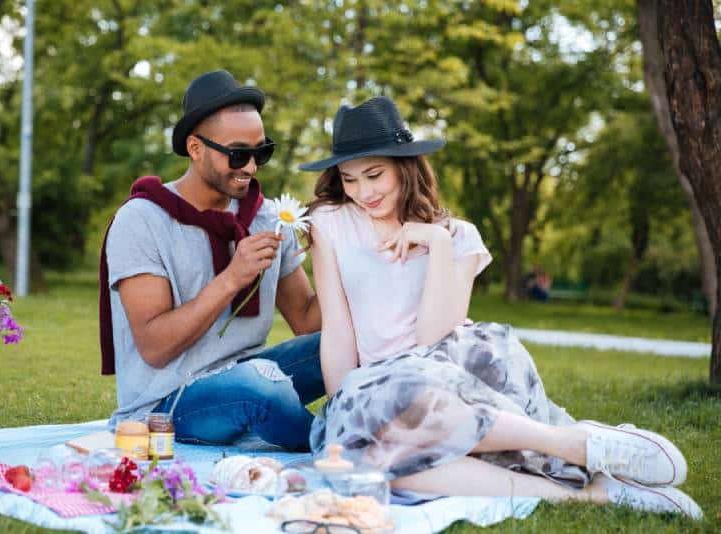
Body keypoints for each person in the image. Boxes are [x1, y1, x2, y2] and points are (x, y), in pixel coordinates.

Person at [298, 96, 702, 518]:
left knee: (409, 412)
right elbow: (338, 328)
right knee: (371, 466)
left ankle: (571, 445)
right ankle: (588, 486)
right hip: (378, 390)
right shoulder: (330, 222)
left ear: (405, 166)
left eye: (374, 175)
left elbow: (433, 339)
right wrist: (345, 405)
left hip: (447, 374)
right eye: (349, 179)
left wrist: (435, 242)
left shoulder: (460, 237)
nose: (363, 192)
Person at [99, 70, 325, 451]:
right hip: (167, 401)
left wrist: (342, 262)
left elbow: (306, 318)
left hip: (247, 372)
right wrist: (232, 278)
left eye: (260, 152)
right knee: (259, 387)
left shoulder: (268, 217)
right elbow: (154, 347)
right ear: (195, 148)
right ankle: (348, 447)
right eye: (238, 154)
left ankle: (390, 428)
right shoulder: (142, 220)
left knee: (353, 343)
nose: (251, 167)